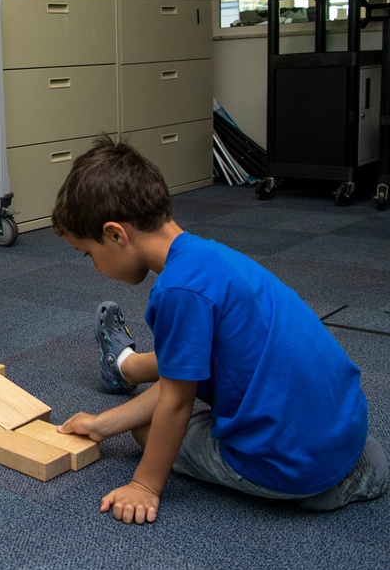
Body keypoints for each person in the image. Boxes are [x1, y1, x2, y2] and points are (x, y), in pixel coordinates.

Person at [50, 134, 387, 525]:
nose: (94, 267)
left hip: (292, 461)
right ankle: (336, 463)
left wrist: (144, 486)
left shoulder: (177, 292)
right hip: (345, 421)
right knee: (158, 406)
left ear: (115, 234)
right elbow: (181, 376)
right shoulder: (207, 256)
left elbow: (177, 401)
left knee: (146, 434)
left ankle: (321, 485)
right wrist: (102, 425)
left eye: (89, 254)